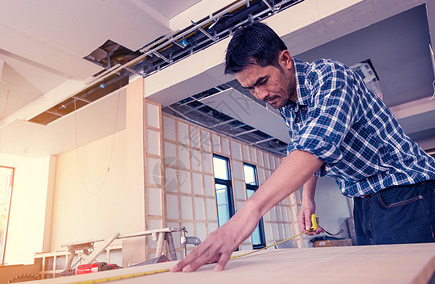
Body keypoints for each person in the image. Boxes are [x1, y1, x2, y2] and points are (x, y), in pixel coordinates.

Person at [171, 21, 435, 272]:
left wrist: (247, 215)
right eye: (250, 89)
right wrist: (307, 200)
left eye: (262, 81)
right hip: (363, 198)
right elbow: (305, 148)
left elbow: (316, 146)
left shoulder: (332, 78)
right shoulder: (287, 103)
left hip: (406, 189)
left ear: (285, 60)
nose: (261, 95)